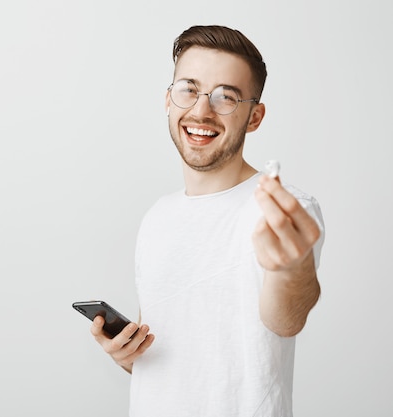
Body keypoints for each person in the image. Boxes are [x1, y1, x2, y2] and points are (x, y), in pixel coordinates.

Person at [89, 25, 325, 417]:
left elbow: (285, 320)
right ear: (168, 99)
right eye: (189, 89)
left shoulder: (285, 210)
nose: (201, 111)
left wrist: (291, 268)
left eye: (225, 97)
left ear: (254, 117)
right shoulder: (157, 217)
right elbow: (180, 360)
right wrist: (127, 355)